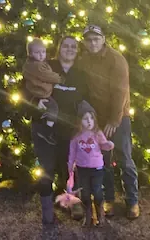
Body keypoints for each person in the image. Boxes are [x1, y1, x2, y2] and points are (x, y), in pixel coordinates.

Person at [78, 25, 139, 219]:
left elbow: (120, 92)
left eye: (96, 38)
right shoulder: (84, 60)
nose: (92, 43)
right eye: (88, 40)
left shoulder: (116, 59)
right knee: (103, 161)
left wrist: (115, 119)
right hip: (98, 119)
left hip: (118, 117)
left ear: (103, 39)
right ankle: (109, 200)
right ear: (84, 43)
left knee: (124, 159)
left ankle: (133, 201)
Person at [49, 36, 88, 220]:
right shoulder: (48, 67)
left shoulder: (81, 73)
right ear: (59, 48)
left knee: (73, 165)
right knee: (54, 162)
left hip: (73, 126)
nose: (69, 49)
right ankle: (57, 196)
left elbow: (86, 100)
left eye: (73, 47)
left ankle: (75, 202)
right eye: (66, 46)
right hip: (50, 124)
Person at [68, 100, 114, 226]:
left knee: (97, 190)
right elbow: (72, 153)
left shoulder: (97, 133)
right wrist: (70, 166)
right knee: (85, 193)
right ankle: (88, 215)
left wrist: (108, 145)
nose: (89, 121)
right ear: (79, 121)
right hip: (82, 169)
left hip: (97, 168)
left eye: (91, 118)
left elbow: (104, 145)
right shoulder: (76, 136)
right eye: (85, 118)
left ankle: (100, 214)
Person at [23, 38, 62, 144]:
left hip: (41, 93)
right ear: (30, 54)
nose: (41, 55)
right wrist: (59, 78)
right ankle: (46, 130)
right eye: (37, 52)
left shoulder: (36, 64)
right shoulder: (37, 66)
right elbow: (48, 76)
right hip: (41, 94)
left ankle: (45, 120)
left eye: (43, 52)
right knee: (53, 108)